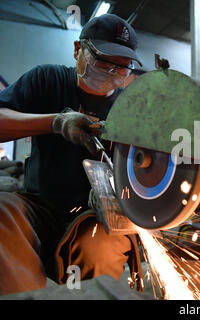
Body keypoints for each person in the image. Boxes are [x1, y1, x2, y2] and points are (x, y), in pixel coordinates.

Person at [0, 14, 144, 295]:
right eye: (105, 60)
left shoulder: (132, 109)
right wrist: (54, 122)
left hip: (97, 216)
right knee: (3, 210)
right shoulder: (47, 79)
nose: (114, 70)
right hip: (39, 206)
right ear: (78, 49)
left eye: (123, 65)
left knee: (100, 248)